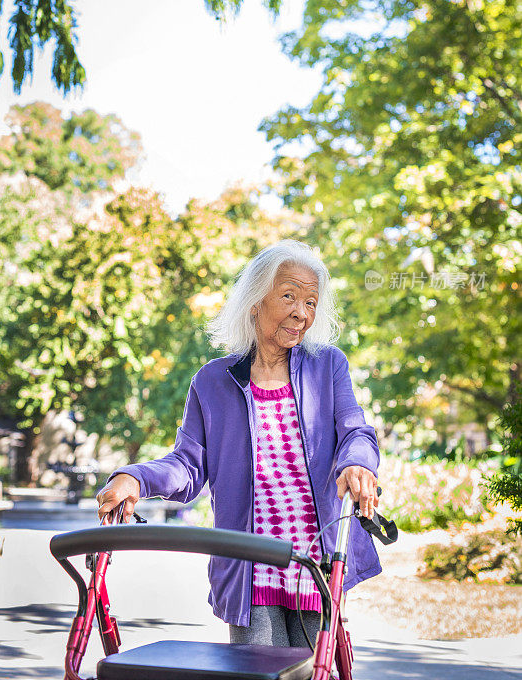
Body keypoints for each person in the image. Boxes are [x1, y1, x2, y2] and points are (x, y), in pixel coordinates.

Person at [96, 239, 382, 648]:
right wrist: (136, 478)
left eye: (311, 303)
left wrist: (358, 463)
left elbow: (355, 430)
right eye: (289, 296)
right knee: (257, 672)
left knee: (310, 671)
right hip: (250, 563)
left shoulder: (328, 365)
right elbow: (188, 465)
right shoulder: (212, 381)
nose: (302, 313)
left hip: (315, 561)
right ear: (255, 301)